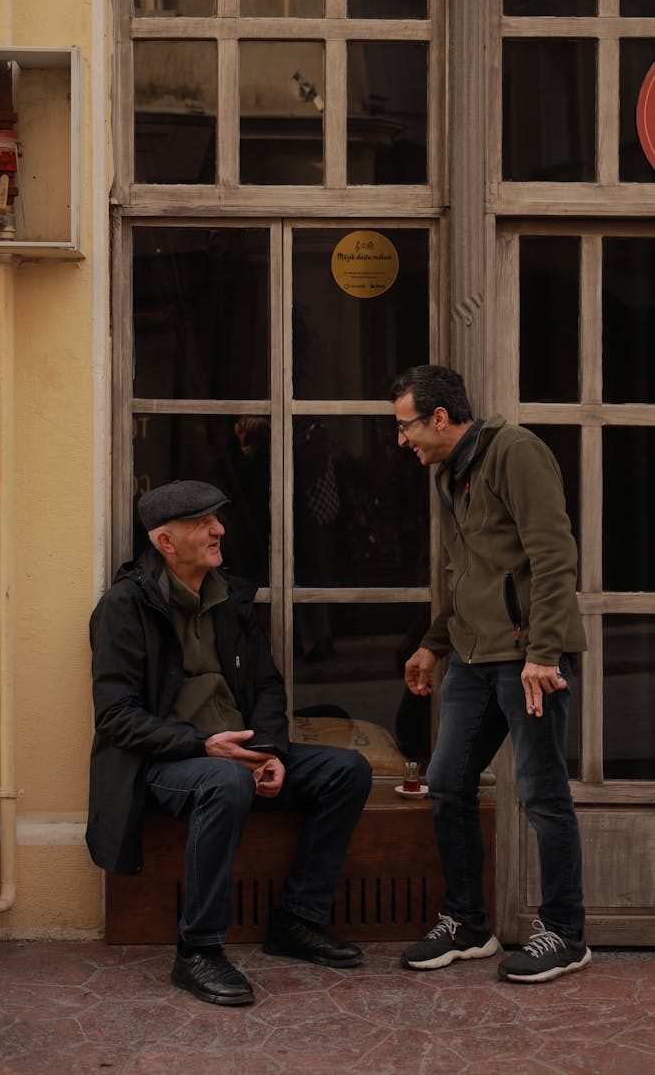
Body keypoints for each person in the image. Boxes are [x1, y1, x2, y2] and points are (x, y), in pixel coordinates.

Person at [86, 479, 372, 1007]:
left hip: (237, 758)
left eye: (217, 518)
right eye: (201, 522)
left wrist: (270, 751)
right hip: (164, 764)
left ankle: (297, 921)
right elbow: (116, 718)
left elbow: (266, 685)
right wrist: (203, 745)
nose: (218, 529)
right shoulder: (124, 608)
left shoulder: (231, 597)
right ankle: (197, 949)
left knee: (347, 769)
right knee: (223, 780)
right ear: (165, 542)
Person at [391, 365, 591, 984]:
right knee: (448, 782)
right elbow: (469, 573)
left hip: (529, 657)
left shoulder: (516, 453)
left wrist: (546, 652)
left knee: (540, 792)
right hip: (474, 657)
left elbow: (554, 555)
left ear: (441, 418)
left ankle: (564, 932)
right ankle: (468, 923)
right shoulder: (449, 472)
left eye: (407, 426)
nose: (404, 440)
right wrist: (433, 644)